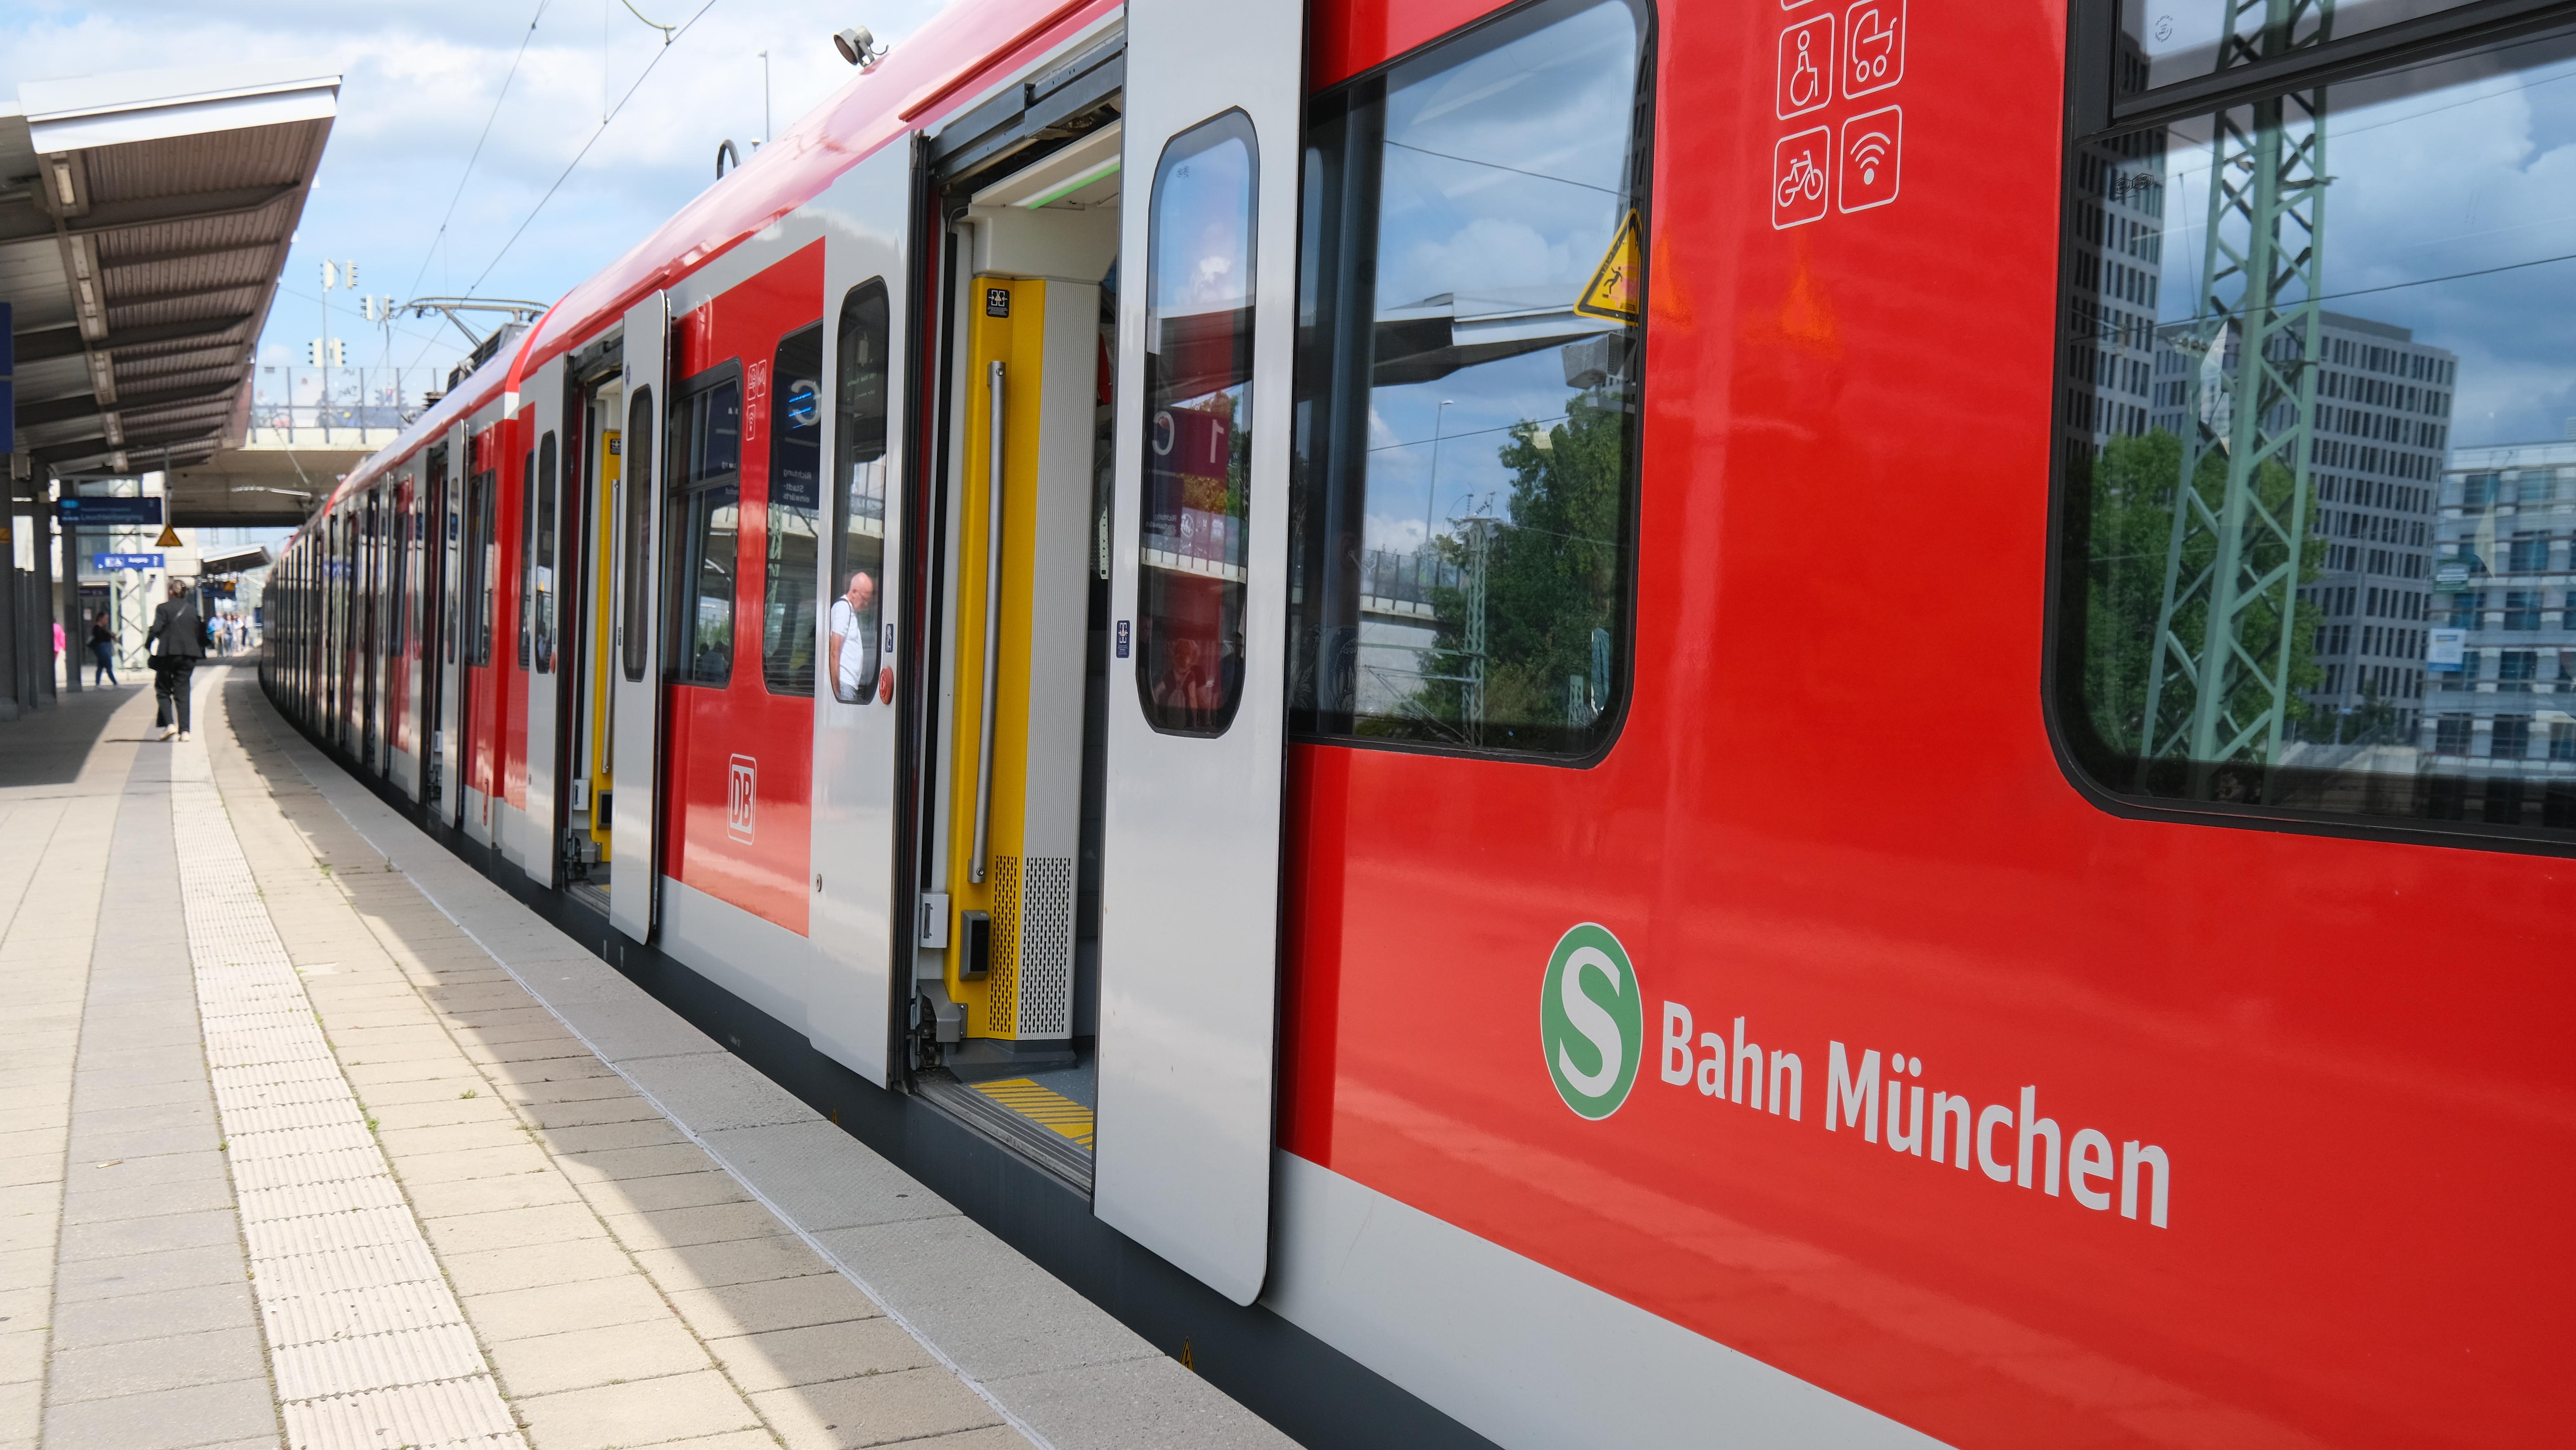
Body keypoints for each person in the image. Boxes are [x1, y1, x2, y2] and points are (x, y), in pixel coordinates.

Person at [146, 578, 206, 741]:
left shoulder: (163, 609)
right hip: (189, 656)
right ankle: (185, 732)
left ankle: (170, 725)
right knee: (183, 691)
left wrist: (148, 643)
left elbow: (156, 629)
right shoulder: (192, 610)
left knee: (163, 690)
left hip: (168, 654)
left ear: (171, 592)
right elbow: (199, 633)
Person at [827, 569, 880, 705]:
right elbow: (834, 652)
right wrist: (837, 693)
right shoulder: (843, 609)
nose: (866, 604)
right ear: (854, 592)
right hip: (844, 686)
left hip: (848, 685)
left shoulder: (849, 610)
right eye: (865, 599)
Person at [88, 611, 118, 686]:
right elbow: (100, 638)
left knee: (100, 666)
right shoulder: (97, 628)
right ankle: (115, 683)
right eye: (105, 619)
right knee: (108, 666)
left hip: (105, 648)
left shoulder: (103, 628)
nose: (106, 621)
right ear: (101, 619)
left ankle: (98, 684)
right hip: (102, 649)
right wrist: (110, 635)